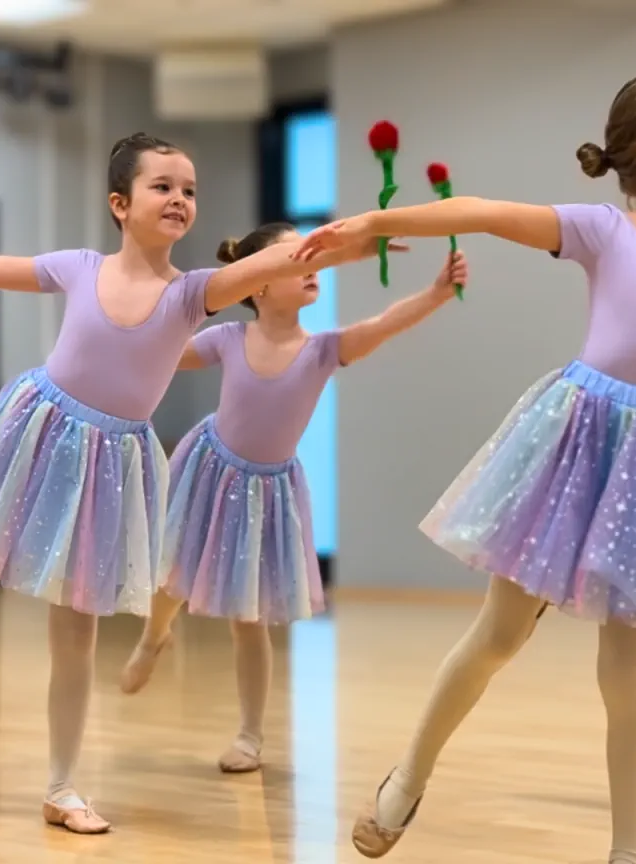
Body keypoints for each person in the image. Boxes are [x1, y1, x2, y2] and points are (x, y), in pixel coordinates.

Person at [0, 133, 395, 834]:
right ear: (120, 203)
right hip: (40, 429)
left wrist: (367, 233)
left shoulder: (196, 294)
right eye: (163, 186)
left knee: (76, 624)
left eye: (189, 190)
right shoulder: (80, 268)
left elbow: (293, 254)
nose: (179, 199)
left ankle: (63, 784)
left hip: (112, 462)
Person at [292, 67, 636, 864]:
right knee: (498, 635)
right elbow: (478, 213)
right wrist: (373, 225)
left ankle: (629, 852)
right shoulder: (601, 230)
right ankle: (409, 773)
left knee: (629, 668)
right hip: (578, 447)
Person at [119, 223, 467, 773]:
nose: (310, 265)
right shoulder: (228, 339)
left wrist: (436, 293)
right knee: (172, 574)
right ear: (258, 284)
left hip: (267, 493)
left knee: (248, 617)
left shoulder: (324, 350)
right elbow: (162, 353)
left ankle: (250, 736)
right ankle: (155, 635)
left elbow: (383, 325)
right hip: (211, 469)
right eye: (293, 257)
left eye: (312, 257)